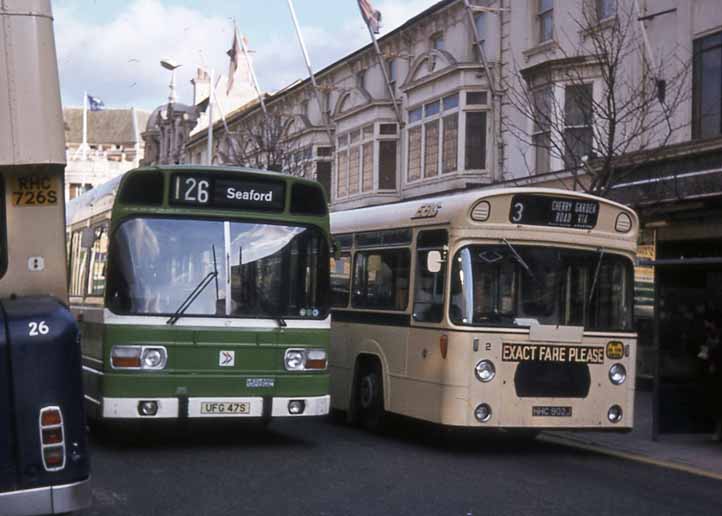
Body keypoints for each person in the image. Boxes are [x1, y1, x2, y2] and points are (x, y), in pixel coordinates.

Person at [700, 313, 722, 441]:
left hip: (717, 374)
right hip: (715, 373)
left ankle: (717, 432)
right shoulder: (712, 336)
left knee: (717, 404)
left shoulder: (714, 337)